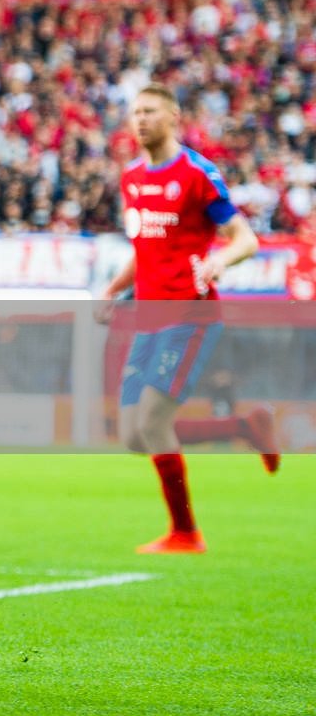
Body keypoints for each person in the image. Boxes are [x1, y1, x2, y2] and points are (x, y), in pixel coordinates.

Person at [96, 85, 277, 554]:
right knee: (136, 435)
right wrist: (115, 290)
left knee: (154, 421)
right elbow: (144, 248)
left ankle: (185, 533)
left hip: (191, 312)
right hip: (149, 314)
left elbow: (245, 239)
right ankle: (242, 427)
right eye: (135, 112)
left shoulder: (198, 174)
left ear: (173, 116)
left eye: (150, 111)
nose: (140, 120)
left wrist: (221, 261)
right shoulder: (132, 177)